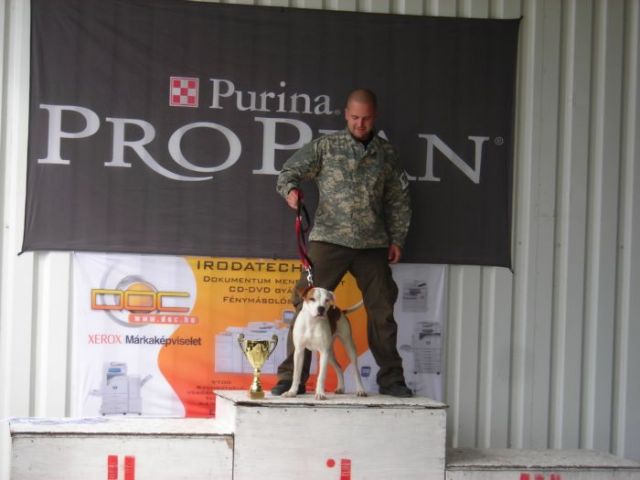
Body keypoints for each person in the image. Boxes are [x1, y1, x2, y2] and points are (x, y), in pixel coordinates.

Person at [272, 88, 412, 398]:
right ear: (346, 114)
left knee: (382, 310)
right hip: (329, 239)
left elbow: (399, 199)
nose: (360, 124)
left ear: (374, 117)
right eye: (355, 117)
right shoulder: (326, 146)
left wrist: (398, 238)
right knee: (305, 304)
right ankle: (291, 379)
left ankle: (392, 379)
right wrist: (290, 190)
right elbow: (289, 171)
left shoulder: (386, 153)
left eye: (366, 119)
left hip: (372, 244)